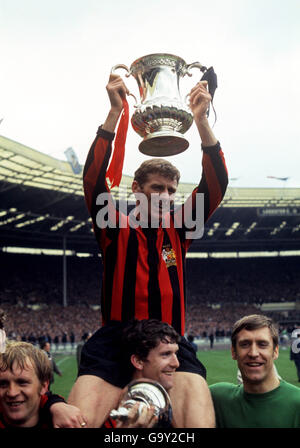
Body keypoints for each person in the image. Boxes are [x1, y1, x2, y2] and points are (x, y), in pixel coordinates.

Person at [68, 72, 228, 428]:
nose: (167, 197)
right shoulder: (114, 226)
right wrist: (113, 114)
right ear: (137, 190)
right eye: (157, 188)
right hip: (114, 342)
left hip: (170, 341)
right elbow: (93, 181)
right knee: (80, 422)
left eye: (172, 191)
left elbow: (216, 183)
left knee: (198, 426)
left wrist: (201, 121)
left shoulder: (180, 230)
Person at [209, 314, 300, 428]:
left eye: (262, 344)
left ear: (275, 351)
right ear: (233, 352)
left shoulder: (297, 403)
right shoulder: (217, 398)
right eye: (245, 344)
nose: (253, 353)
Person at [108, 318, 180, 428]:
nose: (176, 363)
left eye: (175, 353)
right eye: (166, 354)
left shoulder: (168, 408)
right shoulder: (110, 414)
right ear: (138, 361)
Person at [0, 341, 87, 428]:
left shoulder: (62, 420)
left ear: (44, 386)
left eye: (22, 382)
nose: (12, 392)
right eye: (2, 384)